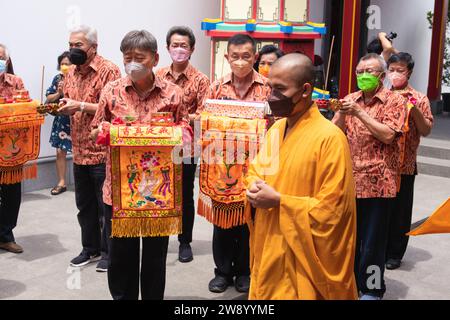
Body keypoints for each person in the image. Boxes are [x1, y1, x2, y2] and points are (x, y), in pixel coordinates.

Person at [245, 53, 358, 300]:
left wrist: (280, 202)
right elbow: (257, 169)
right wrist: (253, 184)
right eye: (270, 87)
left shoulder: (330, 138)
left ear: (305, 89)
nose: (272, 95)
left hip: (302, 256)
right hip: (270, 244)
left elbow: (334, 212)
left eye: (280, 89)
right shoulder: (276, 128)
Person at [91, 30, 189, 300]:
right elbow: (95, 129)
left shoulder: (173, 94)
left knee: (155, 258)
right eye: (127, 57)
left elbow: (185, 131)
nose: (132, 63)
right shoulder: (111, 91)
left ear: (155, 58)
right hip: (120, 191)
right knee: (120, 258)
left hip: (160, 193)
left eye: (139, 57)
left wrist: (178, 135)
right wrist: (107, 132)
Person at [197, 34, 271, 294]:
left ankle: (244, 271)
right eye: (235, 57)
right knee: (223, 222)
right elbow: (202, 118)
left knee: (249, 221)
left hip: (256, 166)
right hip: (222, 167)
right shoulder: (216, 88)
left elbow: (275, 123)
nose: (240, 61)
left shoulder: (267, 88)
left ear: (255, 57)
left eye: (246, 56)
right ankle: (222, 272)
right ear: (227, 57)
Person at [332, 53, 407, 300]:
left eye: (370, 71)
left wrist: (360, 113)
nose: (364, 76)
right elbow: (332, 134)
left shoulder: (394, 101)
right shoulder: (350, 99)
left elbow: (388, 135)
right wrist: (343, 112)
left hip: (379, 182)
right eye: (360, 72)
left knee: (373, 243)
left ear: (382, 76)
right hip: (349, 181)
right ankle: (352, 283)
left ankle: (373, 288)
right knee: (349, 240)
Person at [59, 25, 121, 272]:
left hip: (102, 152)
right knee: (84, 205)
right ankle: (90, 248)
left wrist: (81, 105)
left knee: (106, 207)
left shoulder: (109, 70)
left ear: (94, 47)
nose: (73, 50)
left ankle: (109, 252)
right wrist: (64, 105)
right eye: (71, 45)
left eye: (79, 45)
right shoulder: (71, 72)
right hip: (79, 150)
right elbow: (70, 100)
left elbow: (115, 107)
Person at [156, 26, 210, 263]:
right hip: (159, 147)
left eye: (184, 46)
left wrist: (181, 121)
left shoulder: (200, 80)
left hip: (187, 147)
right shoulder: (156, 75)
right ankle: (158, 238)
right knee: (159, 190)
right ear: (167, 48)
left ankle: (184, 240)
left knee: (185, 194)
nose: (179, 49)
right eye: (175, 45)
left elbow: (204, 113)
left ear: (192, 49)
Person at [385, 53, 433, 270]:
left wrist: (413, 111)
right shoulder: (382, 94)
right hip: (381, 164)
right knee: (380, 210)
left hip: (405, 164)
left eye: (400, 70)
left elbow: (426, 130)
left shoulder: (419, 98)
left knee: (400, 212)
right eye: (392, 69)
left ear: (409, 72)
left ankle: (395, 253)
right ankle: (378, 248)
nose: (395, 74)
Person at [0, 44, 26, 254]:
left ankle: (6, 235)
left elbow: (25, 107)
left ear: (7, 61)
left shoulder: (16, 82)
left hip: (11, 147)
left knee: (12, 194)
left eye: (1, 58)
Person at [46, 52, 72, 196]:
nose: (65, 66)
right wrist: (59, 93)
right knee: (60, 151)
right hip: (62, 119)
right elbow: (49, 97)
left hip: (77, 118)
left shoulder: (80, 78)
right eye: (62, 64)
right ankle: (61, 182)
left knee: (81, 151)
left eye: (68, 63)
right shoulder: (57, 79)